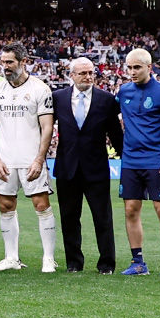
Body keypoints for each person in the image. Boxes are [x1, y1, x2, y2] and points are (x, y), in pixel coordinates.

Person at [0, 46, 58, 273]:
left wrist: (39, 159)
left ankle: (48, 258)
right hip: (5, 160)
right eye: (3, 62)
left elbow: (47, 127)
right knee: (5, 206)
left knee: (41, 205)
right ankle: (11, 258)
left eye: (9, 63)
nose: (4, 67)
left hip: (31, 159)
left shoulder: (40, 89)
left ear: (23, 61)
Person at [116, 48, 160, 278]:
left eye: (137, 67)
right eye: (129, 68)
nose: (132, 72)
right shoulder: (124, 91)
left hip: (157, 161)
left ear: (149, 68)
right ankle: (138, 263)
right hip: (131, 161)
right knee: (131, 210)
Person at [53, 57, 123, 275]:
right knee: (69, 218)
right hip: (67, 168)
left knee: (103, 218)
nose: (88, 77)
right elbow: (46, 129)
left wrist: (126, 159)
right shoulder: (57, 98)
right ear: (71, 75)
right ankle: (74, 263)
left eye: (91, 73)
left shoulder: (107, 100)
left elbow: (115, 133)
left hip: (96, 168)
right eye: (82, 73)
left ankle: (107, 264)